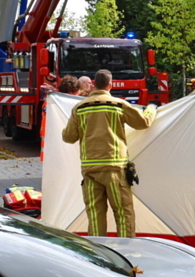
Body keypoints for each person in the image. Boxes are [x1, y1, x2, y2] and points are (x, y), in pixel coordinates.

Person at [62, 69, 157, 237]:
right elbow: (143, 123)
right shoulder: (118, 105)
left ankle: (99, 256)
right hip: (115, 169)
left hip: (90, 171)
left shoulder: (79, 108)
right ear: (110, 85)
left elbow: (68, 137)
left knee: (95, 215)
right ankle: (126, 253)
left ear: (93, 84)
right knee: (123, 212)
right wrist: (151, 108)